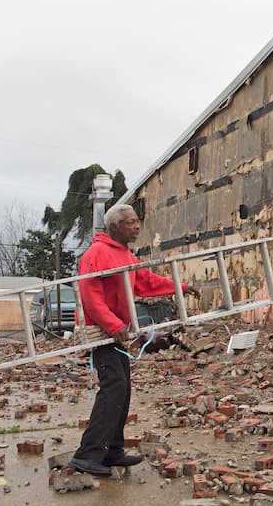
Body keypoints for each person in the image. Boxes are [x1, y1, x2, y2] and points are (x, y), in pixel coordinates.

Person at [69, 203, 200, 477]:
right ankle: (88, 454)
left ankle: (112, 449)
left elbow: (145, 282)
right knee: (113, 386)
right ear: (115, 226)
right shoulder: (97, 253)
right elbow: (90, 295)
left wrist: (181, 287)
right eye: (131, 222)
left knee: (123, 386)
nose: (137, 226)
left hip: (117, 332)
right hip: (101, 333)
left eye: (137, 221)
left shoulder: (124, 254)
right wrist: (113, 324)